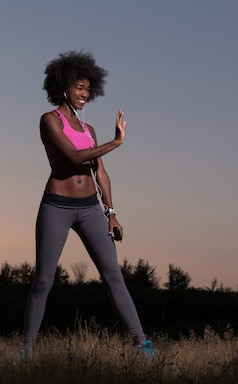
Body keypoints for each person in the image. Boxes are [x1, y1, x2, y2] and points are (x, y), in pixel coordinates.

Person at [17, 50, 154, 359]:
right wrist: (117, 141)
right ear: (64, 85)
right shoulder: (49, 121)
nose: (84, 95)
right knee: (43, 280)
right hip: (57, 206)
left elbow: (99, 171)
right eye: (80, 88)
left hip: (91, 207)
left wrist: (112, 212)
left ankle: (141, 343)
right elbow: (76, 158)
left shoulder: (89, 130)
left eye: (88, 90)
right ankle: (27, 349)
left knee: (113, 274)